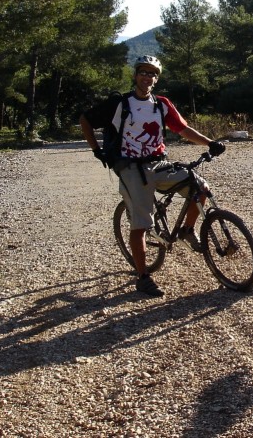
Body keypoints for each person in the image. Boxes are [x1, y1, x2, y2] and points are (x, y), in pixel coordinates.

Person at [79, 55, 226, 297]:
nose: (147, 77)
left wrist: (210, 143)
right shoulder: (121, 103)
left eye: (152, 74)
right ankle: (143, 277)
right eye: (143, 72)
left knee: (201, 189)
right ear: (135, 76)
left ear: (156, 79)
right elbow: (85, 119)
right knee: (142, 223)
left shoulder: (161, 104)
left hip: (159, 163)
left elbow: (182, 129)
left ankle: (187, 231)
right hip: (130, 167)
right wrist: (97, 150)